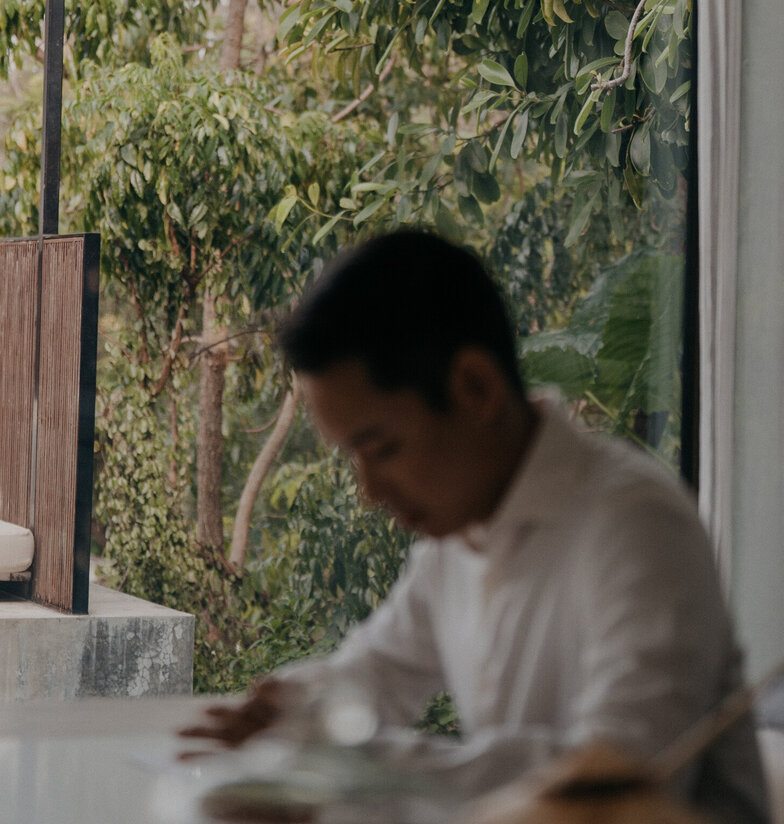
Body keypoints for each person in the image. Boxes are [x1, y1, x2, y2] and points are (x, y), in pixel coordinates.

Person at [182, 231, 769, 823]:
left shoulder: (635, 524)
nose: (370, 491)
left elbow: (609, 781)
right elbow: (378, 670)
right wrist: (289, 712)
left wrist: (342, 770)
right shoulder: (462, 533)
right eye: (352, 458)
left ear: (476, 387)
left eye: (381, 447)